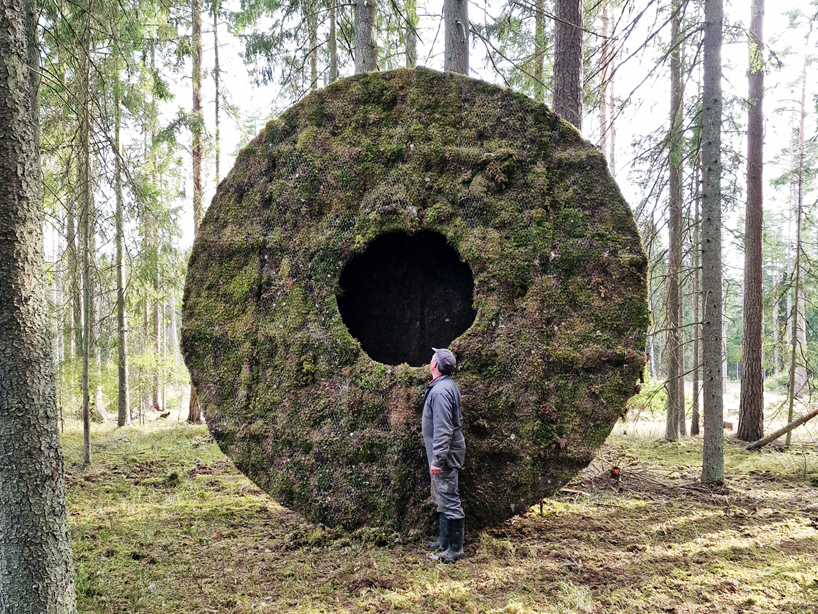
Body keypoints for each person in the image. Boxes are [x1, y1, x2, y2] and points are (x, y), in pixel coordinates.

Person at [422, 347, 466, 562]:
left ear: (435, 365)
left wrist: (438, 460)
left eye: (432, 358)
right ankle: (444, 540)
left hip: (445, 455)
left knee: (449, 496)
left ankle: (455, 549)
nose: (430, 360)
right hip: (443, 452)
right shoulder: (445, 385)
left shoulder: (440, 391)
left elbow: (443, 429)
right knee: (441, 494)